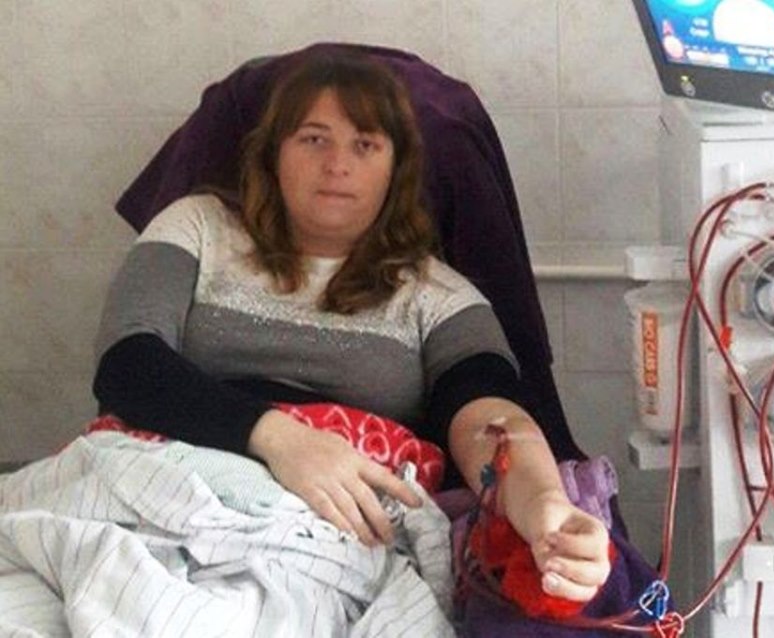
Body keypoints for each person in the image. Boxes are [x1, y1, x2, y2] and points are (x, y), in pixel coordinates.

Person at [93, 51, 610, 606]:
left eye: (365, 145)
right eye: (314, 139)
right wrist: (283, 442)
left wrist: (543, 504)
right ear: (272, 154)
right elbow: (127, 362)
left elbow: (493, 419)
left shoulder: (438, 297)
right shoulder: (197, 226)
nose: (337, 164)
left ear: (397, 169)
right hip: (159, 487)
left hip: (333, 537)